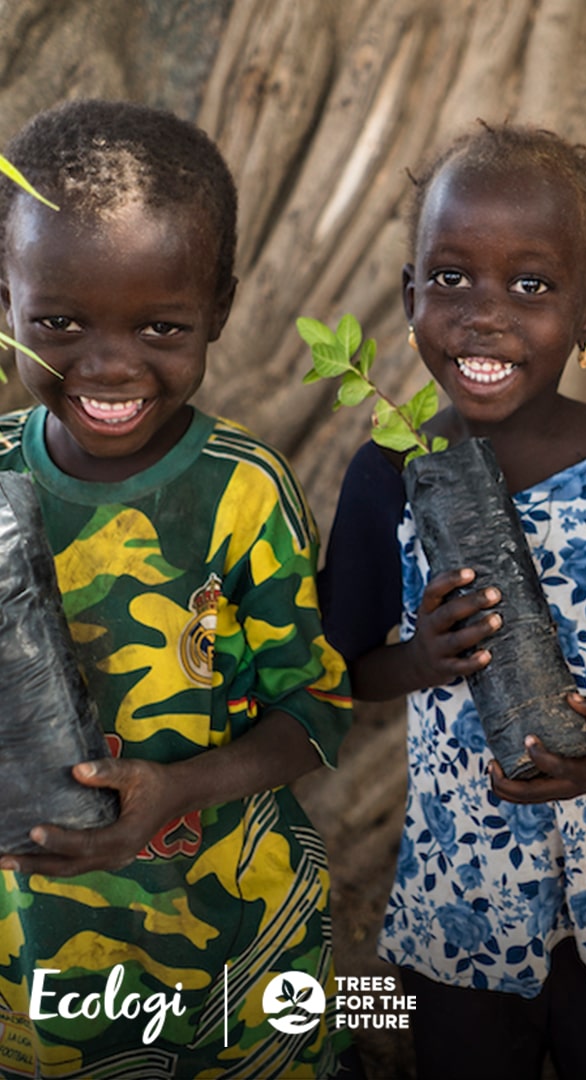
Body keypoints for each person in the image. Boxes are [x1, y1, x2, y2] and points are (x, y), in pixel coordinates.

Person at [317, 122, 586, 1079]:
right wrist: (422, 660)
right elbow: (340, 667)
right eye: (451, 278)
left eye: (531, 286)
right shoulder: (391, 475)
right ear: (407, 297)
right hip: (461, 886)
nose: (486, 316)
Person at [0, 99, 356, 1077]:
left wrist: (178, 791)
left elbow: (317, 708)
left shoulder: (242, 494)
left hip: (227, 935)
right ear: (5, 299)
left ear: (220, 308)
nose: (109, 365)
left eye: (161, 326)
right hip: (36, 951)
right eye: (59, 324)